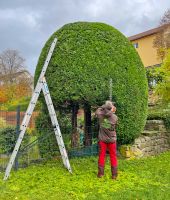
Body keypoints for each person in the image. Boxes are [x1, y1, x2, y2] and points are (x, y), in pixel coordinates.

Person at [95, 100, 118, 179]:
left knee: (101, 156)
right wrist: (111, 110)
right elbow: (111, 116)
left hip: (102, 139)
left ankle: (100, 174)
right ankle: (114, 175)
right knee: (113, 156)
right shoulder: (115, 117)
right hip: (112, 140)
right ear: (111, 108)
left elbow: (98, 110)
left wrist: (103, 106)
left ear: (105, 108)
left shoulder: (100, 115)